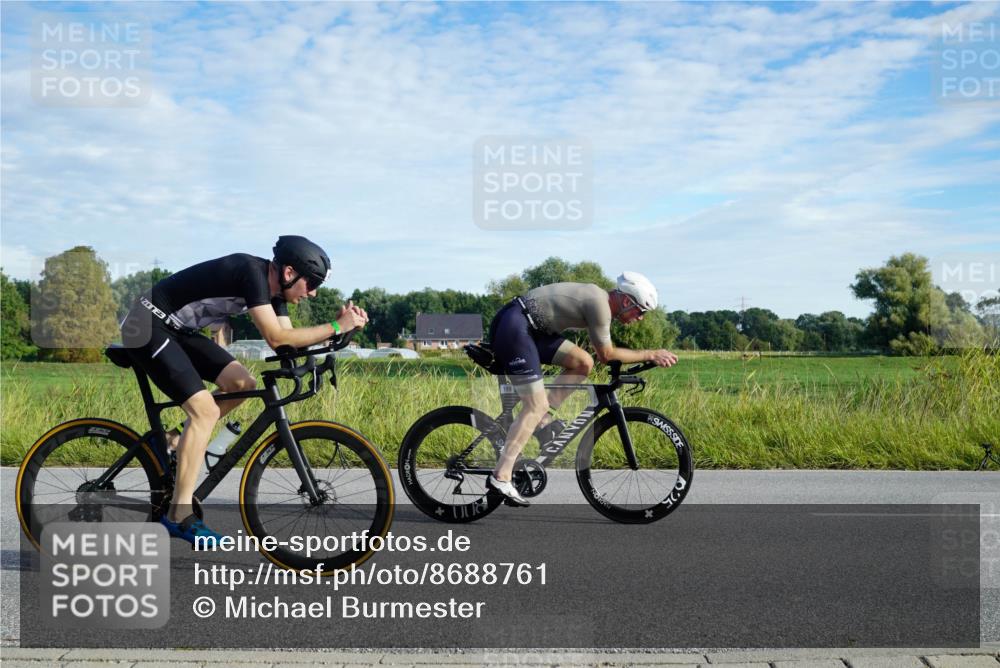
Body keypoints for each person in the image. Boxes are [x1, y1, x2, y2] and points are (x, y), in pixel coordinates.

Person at [120, 236, 368, 546]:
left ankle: (172, 442)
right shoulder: (250, 273)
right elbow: (277, 338)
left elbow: (288, 342)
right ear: (290, 273)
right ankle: (178, 516)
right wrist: (336, 325)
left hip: (178, 330)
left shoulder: (276, 291)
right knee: (205, 412)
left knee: (242, 384)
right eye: (312, 283)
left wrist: (339, 337)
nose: (314, 292)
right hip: (147, 325)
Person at [485, 272, 678, 505]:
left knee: (582, 363)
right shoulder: (600, 305)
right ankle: (501, 476)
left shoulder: (600, 302)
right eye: (641, 312)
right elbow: (606, 355)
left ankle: (542, 420)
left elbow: (596, 358)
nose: (640, 319)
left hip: (532, 329)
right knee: (534, 405)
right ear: (627, 301)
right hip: (516, 326)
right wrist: (651, 354)